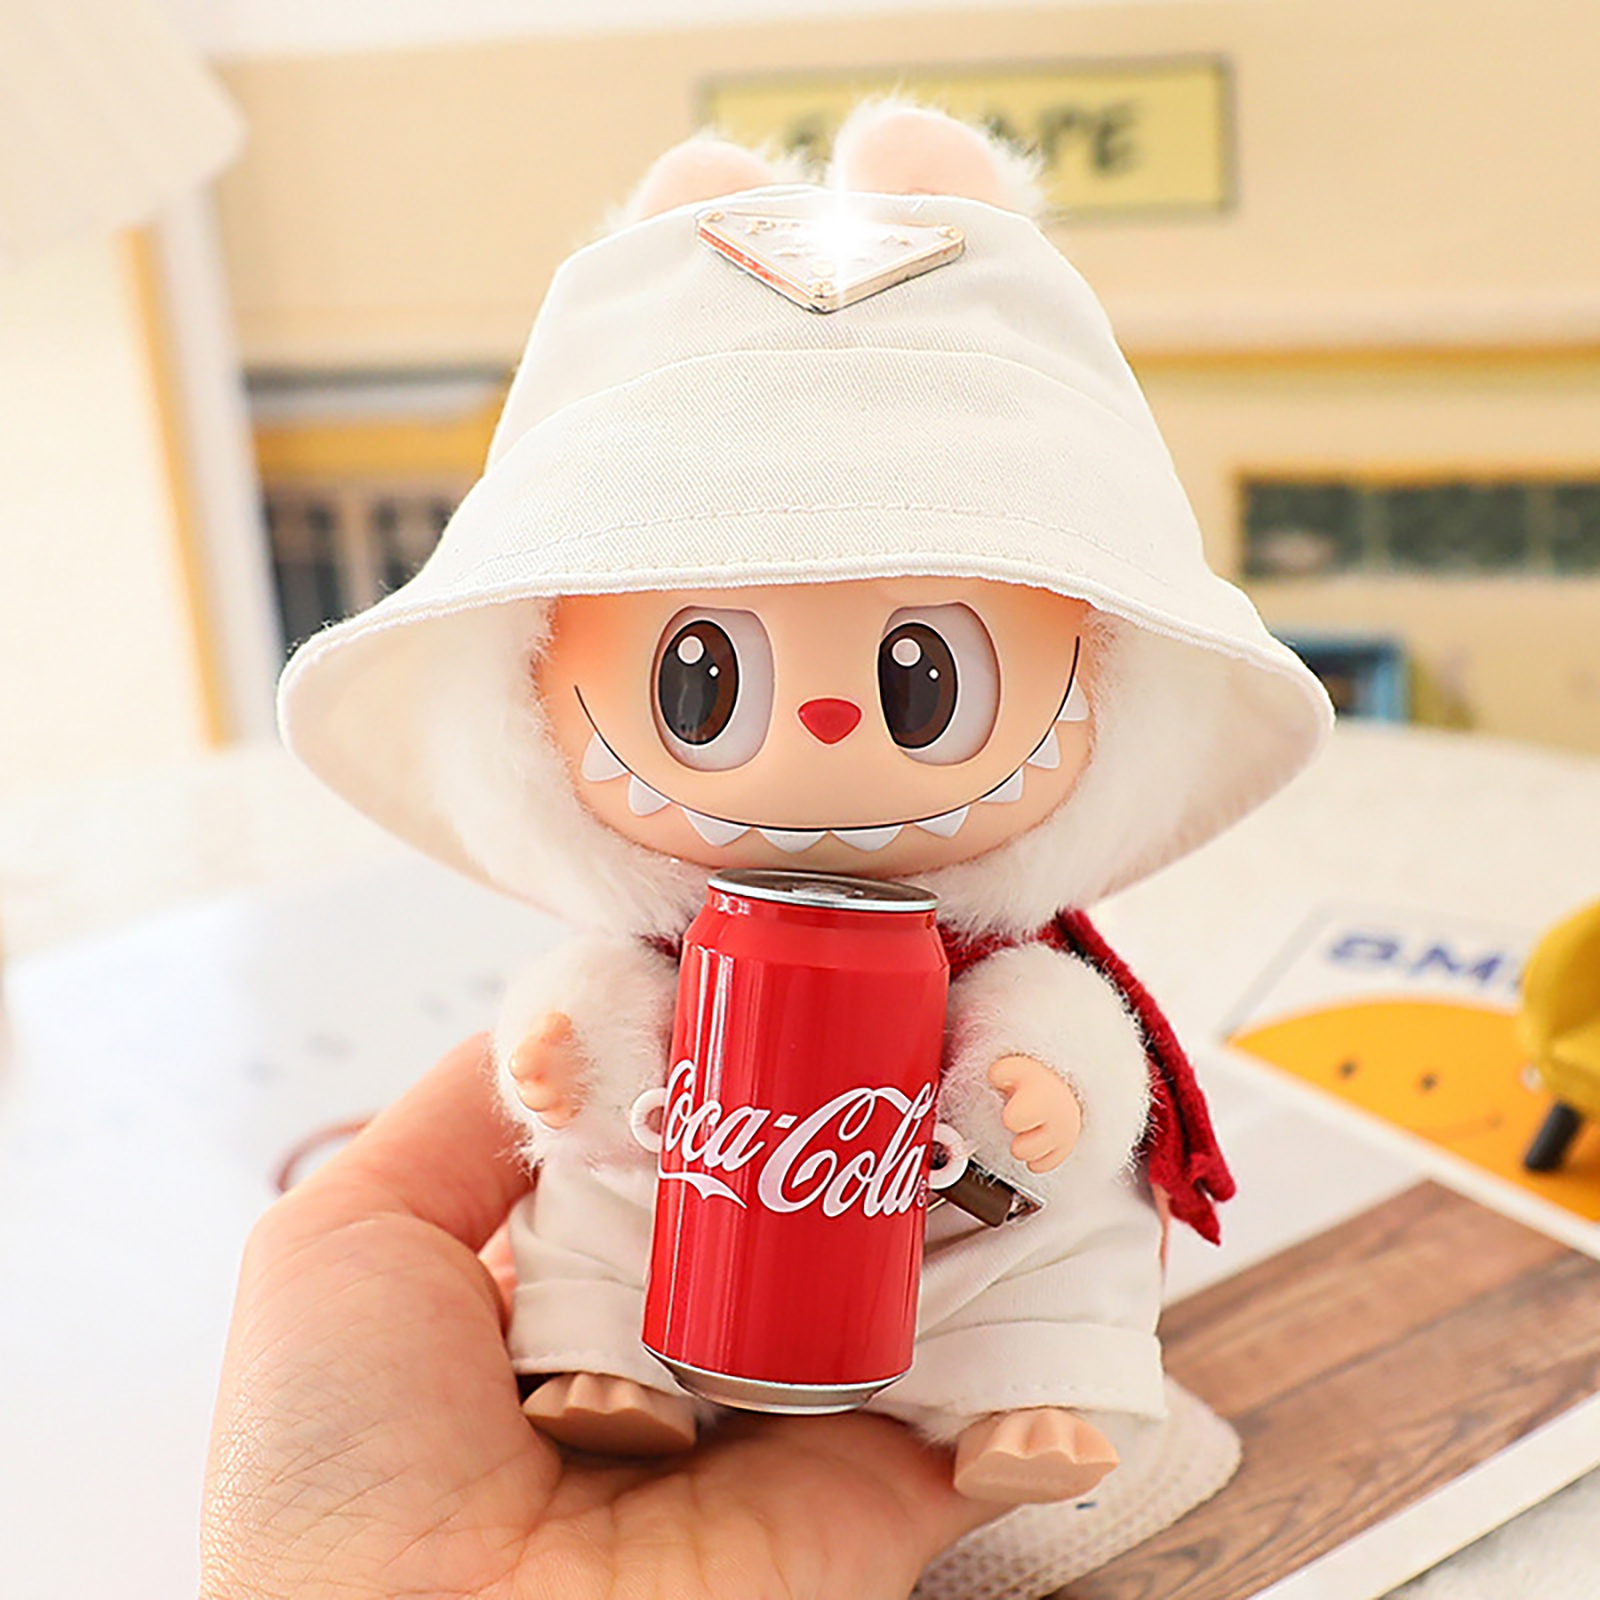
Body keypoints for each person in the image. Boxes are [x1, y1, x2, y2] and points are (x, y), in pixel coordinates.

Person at [201, 1035, 996, 1600]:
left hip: (858, 1334)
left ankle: (1018, 1401)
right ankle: (607, 1369)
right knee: (589, 1223)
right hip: (654, 1223)